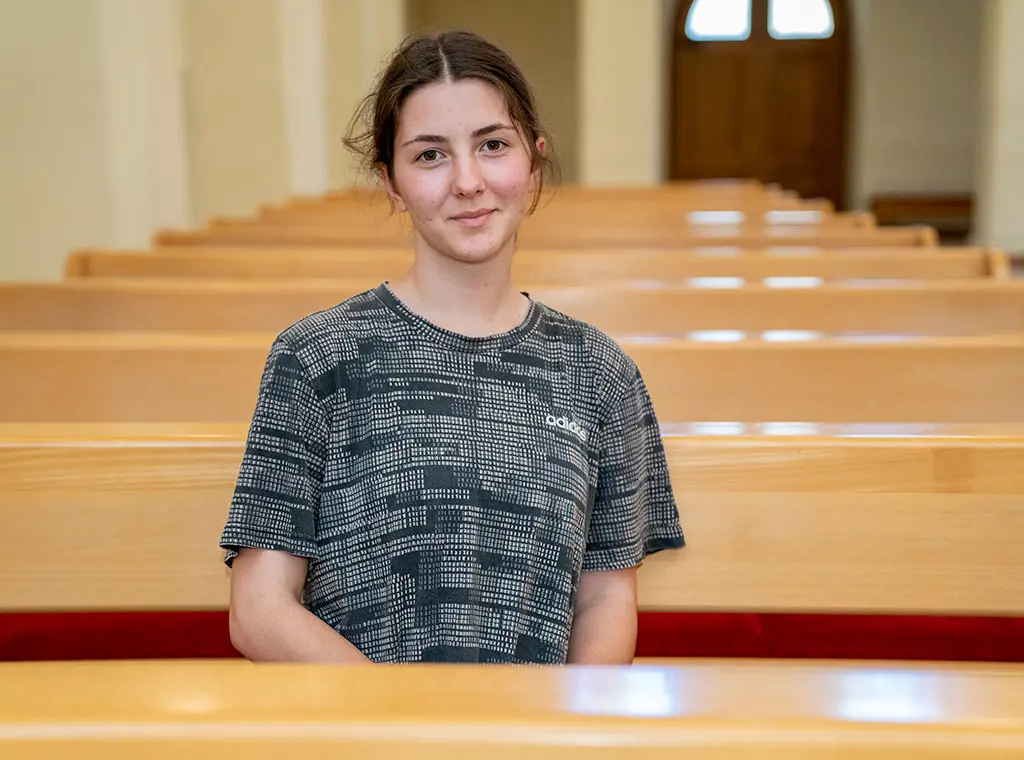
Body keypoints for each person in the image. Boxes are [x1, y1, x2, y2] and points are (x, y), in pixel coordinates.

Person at [220, 29, 684, 665]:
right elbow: (259, 609)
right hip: (365, 717)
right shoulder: (316, 357)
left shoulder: (600, 371)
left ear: (534, 162)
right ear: (390, 182)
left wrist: (560, 720)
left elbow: (605, 600)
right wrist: (407, 714)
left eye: (493, 145)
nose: (468, 181)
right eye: (430, 155)